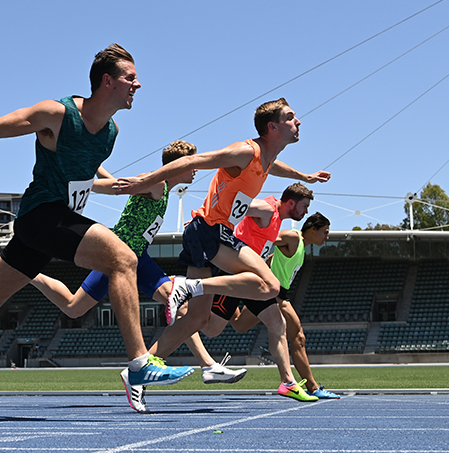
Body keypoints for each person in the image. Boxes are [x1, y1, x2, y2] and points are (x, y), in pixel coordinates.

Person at [0, 44, 194, 390]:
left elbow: (86, 177)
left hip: (53, 223)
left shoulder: (110, 133)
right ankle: (139, 362)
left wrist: (126, 185)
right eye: (131, 78)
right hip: (41, 215)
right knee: (122, 258)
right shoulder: (56, 114)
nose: (138, 85)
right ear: (108, 81)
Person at [113, 98, 329, 407]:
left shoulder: (265, 158)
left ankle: (137, 369)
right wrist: (145, 180)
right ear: (273, 127)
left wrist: (304, 177)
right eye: (291, 117)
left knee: (196, 320)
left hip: (209, 233)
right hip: (208, 231)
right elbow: (193, 162)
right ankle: (188, 286)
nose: (298, 122)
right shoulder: (245, 151)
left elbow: (272, 167)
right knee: (269, 285)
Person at [28, 140, 247, 413]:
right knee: (73, 308)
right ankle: (31, 273)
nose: (196, 169)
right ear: (177, 164)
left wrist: (94, 165)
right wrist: (77, 184)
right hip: (118, 256)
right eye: (192, 162)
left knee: (180, 306)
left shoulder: (164, 188)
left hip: (137, 259)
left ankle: (204, 366)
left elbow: (116, 181)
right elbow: (117, 187)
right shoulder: (156, 184)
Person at [227, 210, 339, 399]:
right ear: (313, 229)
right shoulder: (294, 237)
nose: (327, 237)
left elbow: (274, 256)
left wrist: (268, 262)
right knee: (298, 338)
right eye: (325, 232)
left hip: (270, 294)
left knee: (238, 324)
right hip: (277, 296)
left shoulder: (301, 249)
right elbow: (266, 238)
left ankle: (226, 288)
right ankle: (312, 387)